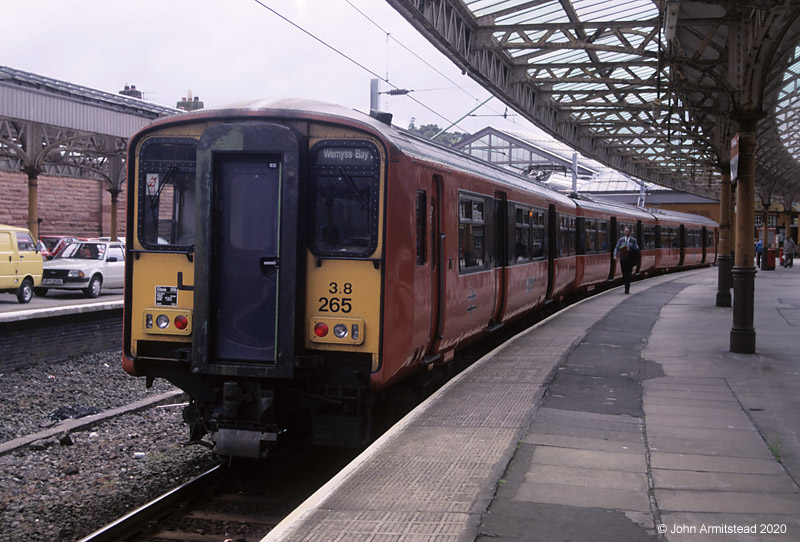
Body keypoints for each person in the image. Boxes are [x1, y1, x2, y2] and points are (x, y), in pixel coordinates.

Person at [614, 226, 639, 294]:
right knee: (624, 273)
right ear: (624, 232)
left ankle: (627, 288)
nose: (627, 233)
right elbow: (617, 248)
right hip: (623, 259)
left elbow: (637, 249)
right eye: (626, 231)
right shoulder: (621, 240)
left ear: (630, 232)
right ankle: (626, 284)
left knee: (628, 274)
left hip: (630, 260)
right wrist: (615, 255)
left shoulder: (633, 240)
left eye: (628, 231)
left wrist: (630, 249)